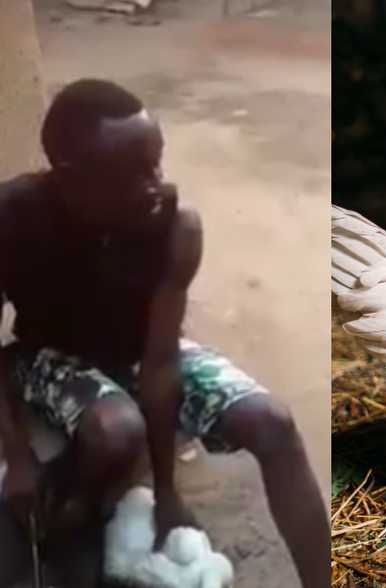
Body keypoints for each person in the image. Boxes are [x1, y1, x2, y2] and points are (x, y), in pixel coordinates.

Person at [0, 79, 328, 587]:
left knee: (273, 423)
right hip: (50, 353)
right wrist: (17, 458)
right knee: (115, 430)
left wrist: (169, 495)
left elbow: (159, 361)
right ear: (71, 179)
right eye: (130, 174)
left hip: (139, 350)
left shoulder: (174, 226)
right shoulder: (13, 216)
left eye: (156, 163)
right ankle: (74, 513)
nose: (154, 183)